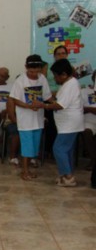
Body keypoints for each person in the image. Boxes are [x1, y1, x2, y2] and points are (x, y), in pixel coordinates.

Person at [9, 54, 53, 181]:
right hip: (25, 120)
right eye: (31, 71)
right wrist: (29, 106)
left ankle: (28, 169)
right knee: (27, 146)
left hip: (38, 119)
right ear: (26, 68)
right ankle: (25, 171)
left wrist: (57, 103)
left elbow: (47, 97)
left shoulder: (42, 79)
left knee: (34, 146)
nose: (34, 74)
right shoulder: (20, 81)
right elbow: (15, 100)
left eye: (37, 71)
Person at [43, 59, 84, 187]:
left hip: (69, 123)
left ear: (64, 74)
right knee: (67, 150)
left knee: (59, 148)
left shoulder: (70, 84)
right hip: (69, 123)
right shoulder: (69, 84)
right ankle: (66, 175)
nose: (54, 79)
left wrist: (43, 105)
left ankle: (68, 176)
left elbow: (60, 105)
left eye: (55, 76)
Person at [81, 70, 96, 172]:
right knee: (86, 131)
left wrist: (89, 109)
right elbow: (80, 108)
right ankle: (94, 160)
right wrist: (91, 110)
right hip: (89, 121)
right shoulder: (84, 91)